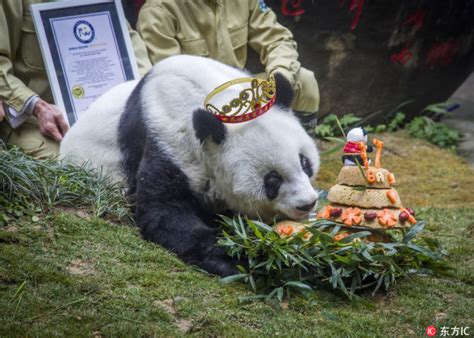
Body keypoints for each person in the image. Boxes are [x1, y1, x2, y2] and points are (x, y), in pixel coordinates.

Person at [0, 0, 152, 159]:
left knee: (152, 160)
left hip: (107, 116)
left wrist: (143, 90)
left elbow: (130, 45)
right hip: (35, 121)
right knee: (77, 168)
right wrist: (37, 106)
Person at [136, 0, 319, 118]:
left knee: (304, 82)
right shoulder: (157, 12)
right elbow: (169, 84)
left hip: (241, 93)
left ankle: (302, 166)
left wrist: (280, 78)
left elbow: (277, 40)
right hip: (200, 109)